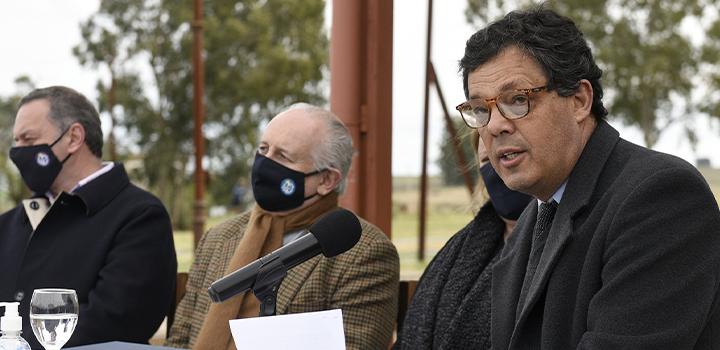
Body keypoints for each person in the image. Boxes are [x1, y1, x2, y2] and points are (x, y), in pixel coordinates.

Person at [455, 6, 720, 349]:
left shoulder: (661, 197)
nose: (494, 126)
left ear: (579, 100)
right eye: (481, 109)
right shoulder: (532, 220)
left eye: (517, 100)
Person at [166, 103, 399, 350]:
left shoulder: (365, 253)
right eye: (263, 149)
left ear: (327, 179)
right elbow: (179, 339)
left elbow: (355, 346)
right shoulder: (219, 237)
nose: (264, 164)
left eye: (282, 156)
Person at [0, 86, 177, 348]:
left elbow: (115, 322)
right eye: (16, 141)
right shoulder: (10, 223)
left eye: (28, 139)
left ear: (73, 137)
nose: (17, 152)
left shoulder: (140, 218)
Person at [394, 133, 532, 349]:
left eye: (508, 155)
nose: (497, 169)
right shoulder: (456, 253)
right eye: (487, 161)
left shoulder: (560, 240)